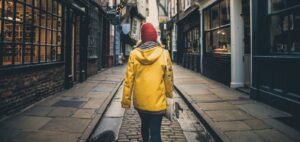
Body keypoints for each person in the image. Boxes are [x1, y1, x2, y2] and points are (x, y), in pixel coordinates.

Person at [121, 22, 173, 142]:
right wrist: (169, 96)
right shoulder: (164, 54)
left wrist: (126, 101)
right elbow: (169, 79)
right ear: (155, 37)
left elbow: (129, 80)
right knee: (155, 132)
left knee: (144, 125)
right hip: (158, 101)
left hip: (141, 102)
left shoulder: (134, 54)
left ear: (142, 38)